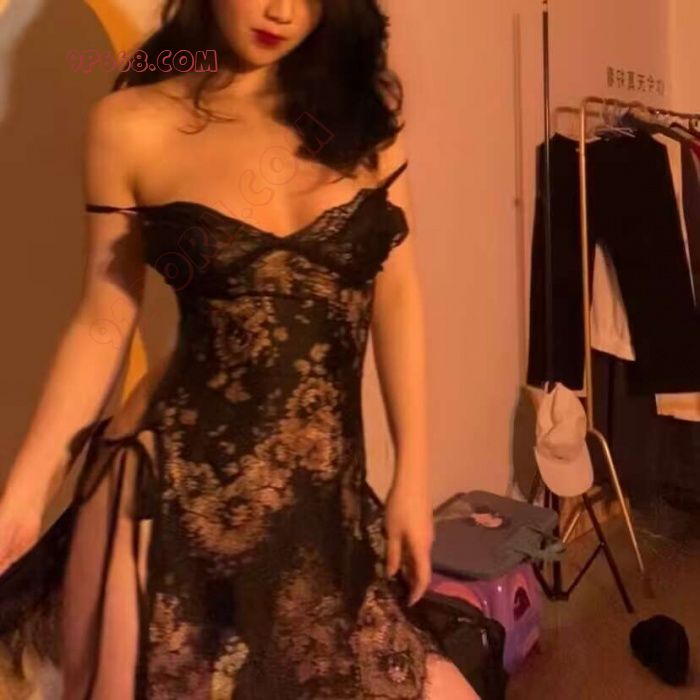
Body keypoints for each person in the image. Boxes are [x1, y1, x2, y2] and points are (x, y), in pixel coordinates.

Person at [0, 1, 479, 698]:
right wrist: (24, 493)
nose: (281, 10)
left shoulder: (359, 119)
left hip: (323, 505)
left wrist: (413, 471)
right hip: (171, 496)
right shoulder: (132, 126)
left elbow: (397, 293)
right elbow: (104, 320)